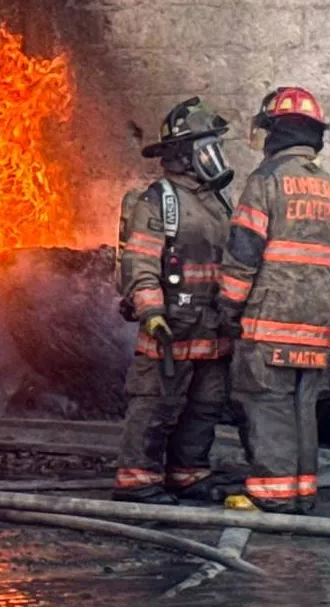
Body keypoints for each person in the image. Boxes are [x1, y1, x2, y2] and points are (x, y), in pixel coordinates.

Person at [218, 86, 330, 514]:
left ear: (275, 132)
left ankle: (271, 495)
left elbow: (243, 253)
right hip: (316, 323)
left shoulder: (265, 183)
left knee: (266, 402)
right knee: (302, 406)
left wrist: (229, 309)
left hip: (270, 320)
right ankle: (302, 491)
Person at [112, 97, 236, 505]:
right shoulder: (158, 200)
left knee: (205, 405)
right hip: (170, 326)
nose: (215, 155)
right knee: (156, 404)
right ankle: (138, 480)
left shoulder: (216, 201)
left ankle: (188, 475)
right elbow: (140, 261)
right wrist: (151, 312)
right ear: (184, 153)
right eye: (206, 147)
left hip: (211, 327)